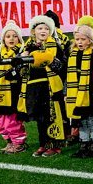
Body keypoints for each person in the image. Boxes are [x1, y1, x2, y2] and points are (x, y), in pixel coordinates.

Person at [21, 14, 65, 157]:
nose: (43, 31)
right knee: (40, 117)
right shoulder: (27, 47)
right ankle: (43, 144)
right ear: (34, 31)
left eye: (47, 28)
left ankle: (54, 145)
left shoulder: (55, 46)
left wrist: (49, 59)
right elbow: (21, 69)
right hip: (34, 86)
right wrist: (23, 56)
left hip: (51, 86)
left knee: (52, 116)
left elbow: (62, 66)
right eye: (40, 28)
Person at [0, 21, 28, 154]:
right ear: (3, 39)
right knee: (1, 121)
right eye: (8, 36)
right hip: (1, 93)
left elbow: (22, 73)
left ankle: (19, 143)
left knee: (12, 119)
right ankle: (10, 141)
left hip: (14, 92)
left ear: (19, 38)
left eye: (14, 36)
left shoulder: (22, 53)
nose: (11, 39)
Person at [63, 23, 93, 158]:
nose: (79, 42)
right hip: (76, 93)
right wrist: (66, 92)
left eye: (83, 39)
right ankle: (83, 144)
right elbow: (68, 75)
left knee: (91, 120)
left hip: (89, 93)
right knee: (80, 121)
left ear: (90, 40)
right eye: (77, 39)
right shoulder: (72, 54)